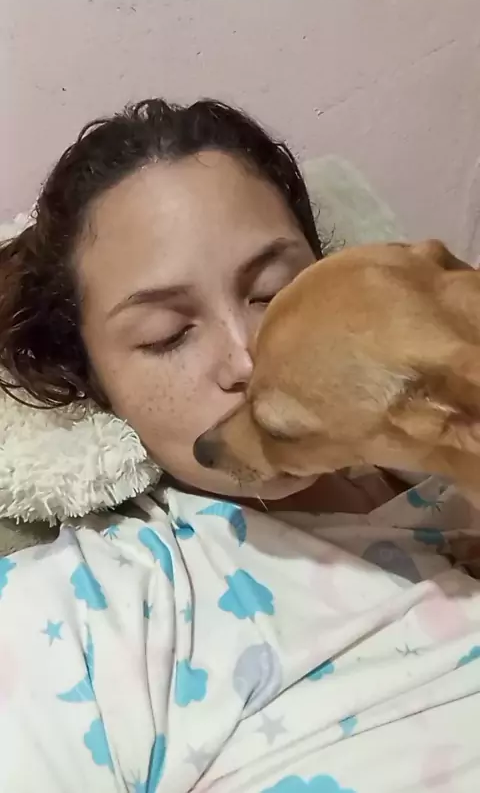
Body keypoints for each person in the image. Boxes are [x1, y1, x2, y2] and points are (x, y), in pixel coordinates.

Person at [0, 98, 479, 792]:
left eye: (275, 292)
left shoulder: (448, 458)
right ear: (92, 379)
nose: (251, 361)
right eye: (167, 335)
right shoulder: (89, 613)